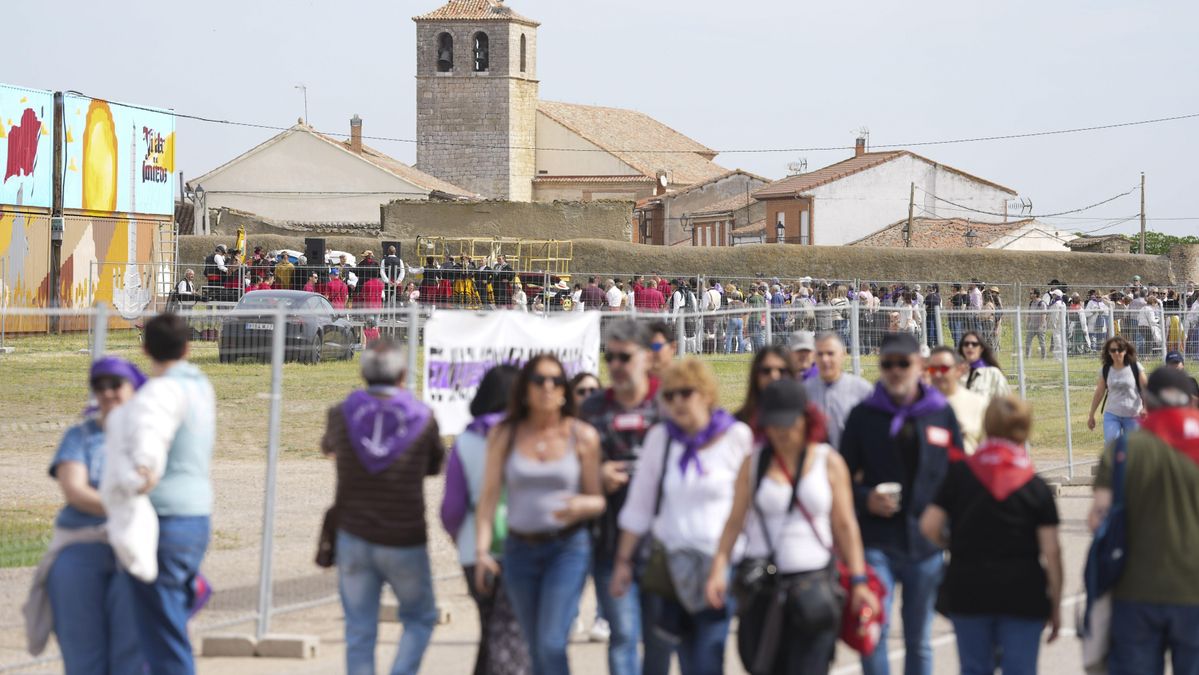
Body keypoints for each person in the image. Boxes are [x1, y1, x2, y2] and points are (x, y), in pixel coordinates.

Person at [706, 378, 878, 674]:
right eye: (773, 423)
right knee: (760, 665)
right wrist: (718, 568)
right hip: (763, 587)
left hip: (815, 587)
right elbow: (734, 522)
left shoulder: (829, 462)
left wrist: (860, 581)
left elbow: (845, 525)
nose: (781, 431)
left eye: (788, 422)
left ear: (806, 418)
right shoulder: (754, 462)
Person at [611, 359, 754, 675]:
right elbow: (639, 505)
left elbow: (747, 508)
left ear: (705, 394)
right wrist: (623, 560)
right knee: (673, 658)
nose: (676, 402)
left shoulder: (736, 437)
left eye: (684, 393)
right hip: (671, 567)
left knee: (706, 659)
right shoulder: (660, 439)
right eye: (669, 395)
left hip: (718, 566)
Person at [475, 355, 606, 675]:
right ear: (525, 389)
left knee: (550, 642)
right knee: (532, 643)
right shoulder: (505, 435)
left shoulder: (583, 436)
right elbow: (489, 496)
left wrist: (581, 506)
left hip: (567, 549)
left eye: (556, 381)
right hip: (519, 550)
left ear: (564, 390)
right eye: (539, 380)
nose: (548, 387)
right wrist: (481, 550)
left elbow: (599, 500)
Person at [320, 339, 444, 675]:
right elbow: (434, 466)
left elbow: (327, 447)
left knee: (359, 629)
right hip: (404, 536)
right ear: (403, 374)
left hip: (353, 535)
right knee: (420, 617)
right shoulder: (423, 417)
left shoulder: (340, 413)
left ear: (362, 373)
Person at [841, 332, 961, 675]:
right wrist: (867, 498)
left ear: (919, 367)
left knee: (919, 640)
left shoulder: (939, 413)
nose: (895, 371)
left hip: (925, 543)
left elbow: (958, 475)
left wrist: (950, 528)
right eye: (887, 364)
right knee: (874, 632)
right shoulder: (863, 415)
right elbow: (840, 479)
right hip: (876, 541)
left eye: (902, 363)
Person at [920, 396, 1063, 675]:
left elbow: (928, 526)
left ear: (987, 425)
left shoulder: (960, 475)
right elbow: (1052, 552)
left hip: (969, 588)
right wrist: (1055, 604)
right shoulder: (1035, 487)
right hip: (1023, 591)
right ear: (1025, 429)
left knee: (974, 668)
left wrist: (952, 543)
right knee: (1020, 669)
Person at [30, 358, 146, 673]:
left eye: (115, 385)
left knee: (133, 654)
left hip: (135, 553)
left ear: (133, 389)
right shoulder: (79, 436)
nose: (107, 393)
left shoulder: (149, 437)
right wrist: (121, 507)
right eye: (99, 386)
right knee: (83, 657)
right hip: (81, 549)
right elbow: (75, 490)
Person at [115, 313, 215, 674]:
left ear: (145, 348)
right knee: (170, 623)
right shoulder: (200, 384)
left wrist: (129, 482)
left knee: (163, 637)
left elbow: (147, 451)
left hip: (163, 519)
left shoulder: (158, 393)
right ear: (188, 346)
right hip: (196, 515)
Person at [1089, 367, 1199, 675]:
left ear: (1147, 402)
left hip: (1136, 589)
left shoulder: (1124, 449)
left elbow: (1098, 519)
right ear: (1189, 402)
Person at [579, 321, 669, 675]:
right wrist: (596, 475)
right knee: (624, 636)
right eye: (609, 356)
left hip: (661, 545)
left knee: (658, 640)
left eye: (624, 357)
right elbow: (571, 467)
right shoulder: (593, 408)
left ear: (647, 357)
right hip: (610, 542)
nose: (615, 365)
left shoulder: (668, 403)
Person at [440, 365, 529, 675]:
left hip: (473, 548)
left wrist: (458, 535)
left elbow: (451, 506)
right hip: (524, 545)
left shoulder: (466, 441)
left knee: (492, 630)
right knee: (511, 636)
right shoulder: (529, 435)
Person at [804, 332, 872, 451]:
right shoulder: (804, 392)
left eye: (830, 353)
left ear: (843, 355)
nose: (825, 359)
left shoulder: (862, 390)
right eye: (820, 354)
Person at [1086, 335, 1148, 446]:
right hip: (1112, 415)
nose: (1117, 353)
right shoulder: (1105, 369)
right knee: (1112, 447)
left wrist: (1146, 408)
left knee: (1134, 449)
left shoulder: (1135, 367)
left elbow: (1146, 390)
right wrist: (1091, 415)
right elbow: (1099, 393)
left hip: (1133, 415)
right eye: (1113, 350)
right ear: (1108, 352)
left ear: (1126, 351)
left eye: (1120, 350)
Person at [925, 347, 987, 455]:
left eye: (944, 369)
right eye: (933, 369)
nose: (938, 374)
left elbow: (988, 448)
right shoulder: (918, 405)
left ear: (958, 370)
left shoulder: (978, 404)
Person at [735, 346, 796, 437]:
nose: (774, 376)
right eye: (766, 371)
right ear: (756, 375)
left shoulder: (807, 419)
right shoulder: (739, 423)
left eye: (782, 371)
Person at [957, 331, 1011, 402]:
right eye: (966, 344)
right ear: (962, 348)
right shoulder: (955, 373)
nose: (970, 347)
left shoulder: (993, 373)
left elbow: (1006, 401)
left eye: (974, 344)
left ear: (981, 349)